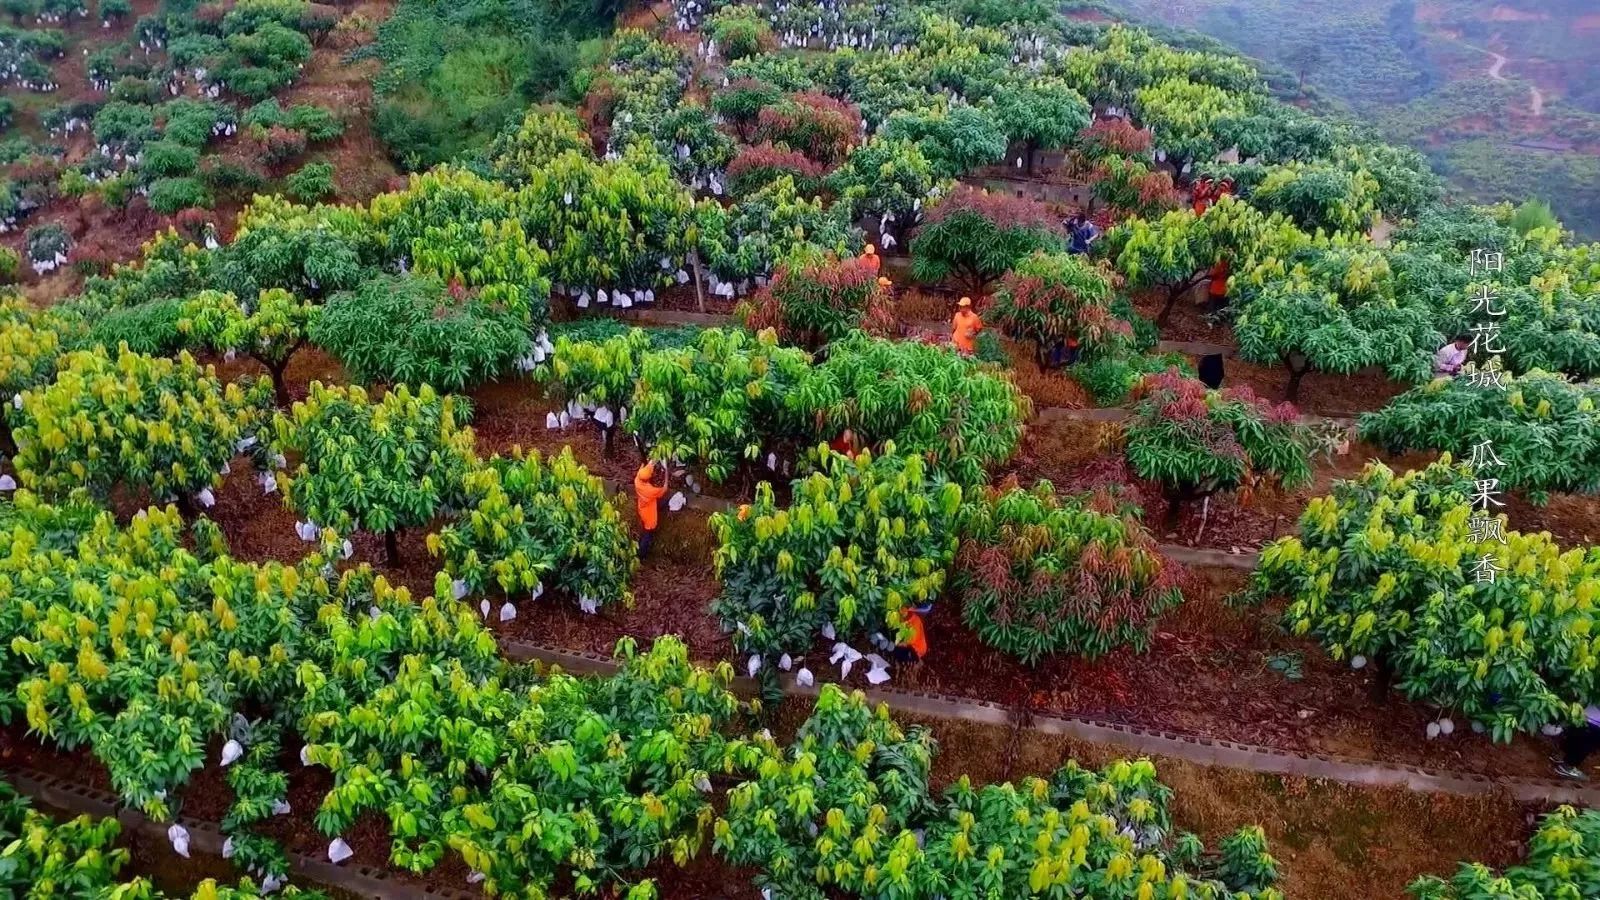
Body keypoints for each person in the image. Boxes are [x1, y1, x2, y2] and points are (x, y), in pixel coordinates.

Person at [633, 461, 669, 557]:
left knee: (645, 530)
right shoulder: (650, 491)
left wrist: (651, 460)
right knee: (648, 534)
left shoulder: (638, 479)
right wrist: (666, 473)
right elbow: (664, 488)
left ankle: (638, 547)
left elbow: (644, 467)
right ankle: (641, 555)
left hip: (643, 508)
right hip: (650, 514)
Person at [1555, 705, 1600, 779]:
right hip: (1594, 724)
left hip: (1582, 715)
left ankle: (1561, 755)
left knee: (1580, 733)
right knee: (1589, 741)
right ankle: (1567, 767)